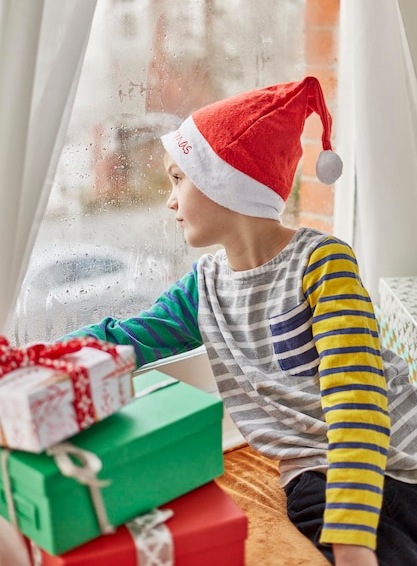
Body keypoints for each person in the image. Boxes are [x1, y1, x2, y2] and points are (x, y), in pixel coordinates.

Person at [65, 77, 417, 566]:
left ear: (223, 183)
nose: (170, 200)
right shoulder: (204, 287)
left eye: (177, 178)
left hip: (396, 454)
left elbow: (356, 395)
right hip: (312, 473)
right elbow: (126, 341)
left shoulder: (322, 263)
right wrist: (29, 360)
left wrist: (353, 538)